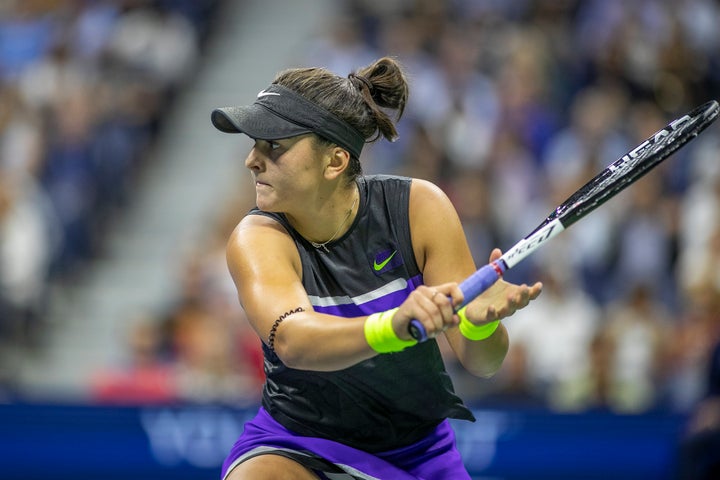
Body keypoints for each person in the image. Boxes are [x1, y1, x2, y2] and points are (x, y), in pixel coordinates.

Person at [211, 56, 542, 480]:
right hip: (297, 444)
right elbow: (293, 341)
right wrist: (393, 325)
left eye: (274, 144)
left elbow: (484, 363)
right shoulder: (256, 237)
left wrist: (478, 326)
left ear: (335, 162)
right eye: (254, 143)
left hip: (417, 454)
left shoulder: (419, 209)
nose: (252, 160)